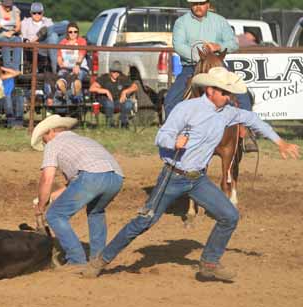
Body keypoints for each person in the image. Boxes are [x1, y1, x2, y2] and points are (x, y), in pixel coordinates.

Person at [87, 67, 300, 281]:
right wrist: (174, 142)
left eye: (230, 93)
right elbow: (161, 137)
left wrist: (280, 142)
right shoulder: (186, 109)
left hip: (197, 179)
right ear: (210, 91)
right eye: (225, 93)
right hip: (173, 176)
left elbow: (253, 120)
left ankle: (209, 263)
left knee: (230, 216)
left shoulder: (228, 112)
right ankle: (100, 260)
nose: (229, 97)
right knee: (144, 221)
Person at [31, 114, 124, 269]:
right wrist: (50, 198)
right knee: (96, 212)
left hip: (91, 177)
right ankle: (97, 259)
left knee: (55, 215)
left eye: (44, 139)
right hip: (116, 177)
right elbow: (76, 185)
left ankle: (76, 260)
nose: (44, 143)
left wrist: (40, 207)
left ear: (50, 132)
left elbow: (47, 178)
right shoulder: (84, 140)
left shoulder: (53, 144)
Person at [164, 0, 250, 117]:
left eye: (201, 3)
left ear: (208, 4)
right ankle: (174, 132)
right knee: (170, 101)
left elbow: (233, 43)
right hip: (192, 67)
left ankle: (246, 128)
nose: (198, 6)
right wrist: (199, 57)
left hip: (217, 66)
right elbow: (179, 45)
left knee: (242, 93)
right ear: (191, 5)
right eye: (195, 4)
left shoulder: (220, 21)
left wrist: (218, 46)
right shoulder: (181, 22)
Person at [89, 60, 137, 128]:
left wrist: (125, 92)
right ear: (110, 71)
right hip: (105, 101)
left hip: (118, 101)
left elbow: (135, 87)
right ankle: (110, 123)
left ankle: (123, 122)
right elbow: (92, 88)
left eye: (118, 72)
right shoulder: (104, 78)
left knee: (128, 103)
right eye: (114, 71)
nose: (116, 73)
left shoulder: (123, 78)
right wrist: (106, 91)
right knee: (109, 104)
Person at [54, 22, 89, 104]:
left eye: (75, 32)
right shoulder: (63, 42)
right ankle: (66, 100)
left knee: (76, 81)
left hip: (80, 67)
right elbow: (59, 57)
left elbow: (81, 54)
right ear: (67, 33)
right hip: (66, 68)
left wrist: (77, 65)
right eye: (70, 32)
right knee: (60, 82)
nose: (73, 34)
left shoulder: (81, 41)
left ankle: (77, 102)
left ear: (78, 32)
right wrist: (61, 65)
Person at [20, 2, 59, 73]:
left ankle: (41, 33)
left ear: (43, 13)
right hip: (33, 48)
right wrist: (33, 42)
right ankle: (55, 71)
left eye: (39, 13)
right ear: (30, 13)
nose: (37, 15)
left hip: (46, 46)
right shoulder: (25, 22)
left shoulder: (48, 21)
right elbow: (25, 40)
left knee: (65, 24)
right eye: (34, 13)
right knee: (53, 36)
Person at [0, 0, 22, 71]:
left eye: (9, 5)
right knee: (5, 41)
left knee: (18, 40)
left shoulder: (15, 10)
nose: (8, 8)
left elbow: (18, 27)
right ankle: (8, 68)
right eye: (6, 6)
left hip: (11, 35)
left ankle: (15, 68)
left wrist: (12, 32)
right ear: (2, 3)